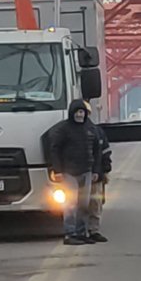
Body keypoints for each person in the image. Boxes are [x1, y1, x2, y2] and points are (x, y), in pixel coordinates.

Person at [46, 99, 102, 245]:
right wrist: (57, 170)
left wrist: (96, 170)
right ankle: (69, 234)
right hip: (69, 173)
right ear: (72, 113)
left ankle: (82, 233)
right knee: (70, 205)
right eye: (77, 112)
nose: (80, 115)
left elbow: (97, 150)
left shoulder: (91, 129)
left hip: (87, 172)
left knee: (84, 204)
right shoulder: (63, 129)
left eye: (82, 112)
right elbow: (54, 149)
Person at [84, 101, 111, 242]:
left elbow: (105, 152)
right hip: (78, 173)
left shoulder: (97, 131)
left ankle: (93, 230)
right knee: (79, 204)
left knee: (95, 203)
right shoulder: (68, 130)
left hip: (96, 174)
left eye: (84, 112)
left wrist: (105, 170)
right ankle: (81, 231)